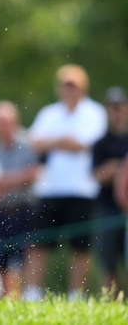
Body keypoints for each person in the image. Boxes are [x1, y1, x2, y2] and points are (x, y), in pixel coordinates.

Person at [23, 64, 107, 301]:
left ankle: (75, 296)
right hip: (49, 189)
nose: (69, 89)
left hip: (83, 190)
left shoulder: (95, 112)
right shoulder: (49, 113)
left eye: (74, 85)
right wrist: (64, 141)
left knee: (80, 249)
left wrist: (53, 142)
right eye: (65, 84)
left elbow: (84, 144)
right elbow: (34, 143)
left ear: (83, 87)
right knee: (38, 245)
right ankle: (31, 295)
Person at [0, 100, 40, 299]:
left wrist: (4, 181)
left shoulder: (28, 144)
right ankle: (9, 298)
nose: (3, 126)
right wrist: (19, 178)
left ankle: (27, 296)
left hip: (26, 209)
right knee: (2, 260)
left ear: (15, 121)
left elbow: (34, 174)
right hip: (2, 211)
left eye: (6, 121)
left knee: (28, 256)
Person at [91, 86, 128, 292]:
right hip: (107, 208)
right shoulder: (100, 143)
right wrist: (117, 171)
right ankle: (111, 304)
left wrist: (117, 170)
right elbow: (97, 176)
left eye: (120, 106)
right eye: (113, 107)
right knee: (108, 261)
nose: (117, 111)